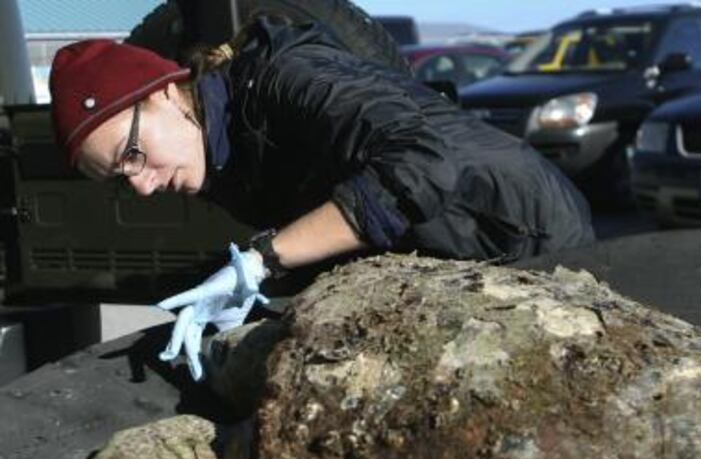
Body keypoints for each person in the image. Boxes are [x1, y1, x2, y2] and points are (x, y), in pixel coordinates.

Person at [48, 14, 595, 380]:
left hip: (520, 236)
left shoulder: (287, 76)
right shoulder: (221, 155)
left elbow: (422, 165)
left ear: (165, 93)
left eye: (133, 153)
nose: (142, 186)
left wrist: (263, 260)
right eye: (120, 180)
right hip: (449, 266)